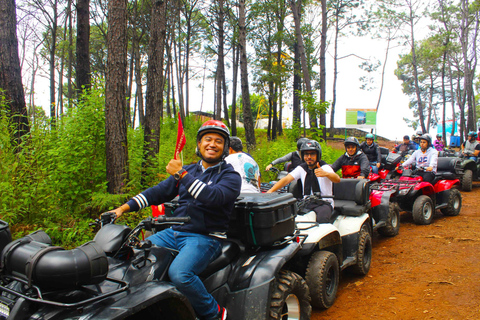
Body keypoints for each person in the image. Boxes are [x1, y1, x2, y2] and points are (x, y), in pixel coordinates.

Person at [108, 120, 241, 320]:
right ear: (199, 144)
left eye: (218, 141)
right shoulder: (190, 170)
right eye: (207, 139)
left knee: (180, 274)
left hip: (205, 237)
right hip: (174, 233)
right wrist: (121, 209)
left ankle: (215, 313)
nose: (212, 144)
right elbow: (156, 193)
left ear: (224, 148)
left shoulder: (231, 176)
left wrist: (181, 174)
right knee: (129, 255)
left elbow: (211, 197)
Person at [267, 140, 340, 223]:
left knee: (321, 220)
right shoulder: (302, 168)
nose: (309, 157)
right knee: (290, 217)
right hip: (306, 202)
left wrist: (326, 174)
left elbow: (337, 179)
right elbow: (286, 179)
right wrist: (270, 191)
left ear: (318, 155)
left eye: (312, 154)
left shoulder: (324, 167)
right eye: (306, 154)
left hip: (324, 203)